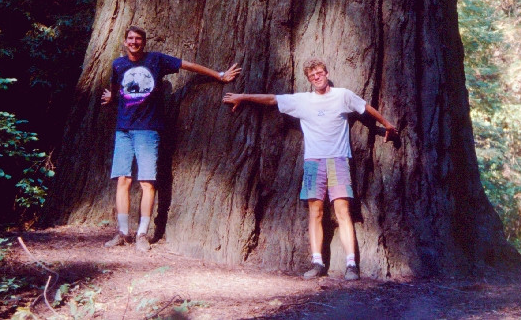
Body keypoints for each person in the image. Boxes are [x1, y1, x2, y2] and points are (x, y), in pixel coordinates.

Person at [222, 58, 397, 281]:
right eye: (312, 75)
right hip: (313, 162)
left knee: (343, 212)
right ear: (308, 79)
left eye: (320, 72)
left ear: (326, 72)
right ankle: (317, 262)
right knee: (315, 212)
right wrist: (243, 97)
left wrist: (387, 124)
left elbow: (365, 108)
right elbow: (272, 99)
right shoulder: (303, 101)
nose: (317, 77)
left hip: (338, 160)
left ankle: (351, 264)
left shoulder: (342, 95)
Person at [101, 26, 241, 252]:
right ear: (125, 42)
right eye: (130, 39)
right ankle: (122, 232)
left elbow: (188, 65)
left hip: (148, 130)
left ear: (143, 43)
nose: (134, 42)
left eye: (138, 39)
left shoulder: (156, 60)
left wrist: (219, 75)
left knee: (147, 182)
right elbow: (116, 85)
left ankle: (143, 234)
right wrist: (112, 97)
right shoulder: (118, 64)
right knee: (123, 181)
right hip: (123, 130)